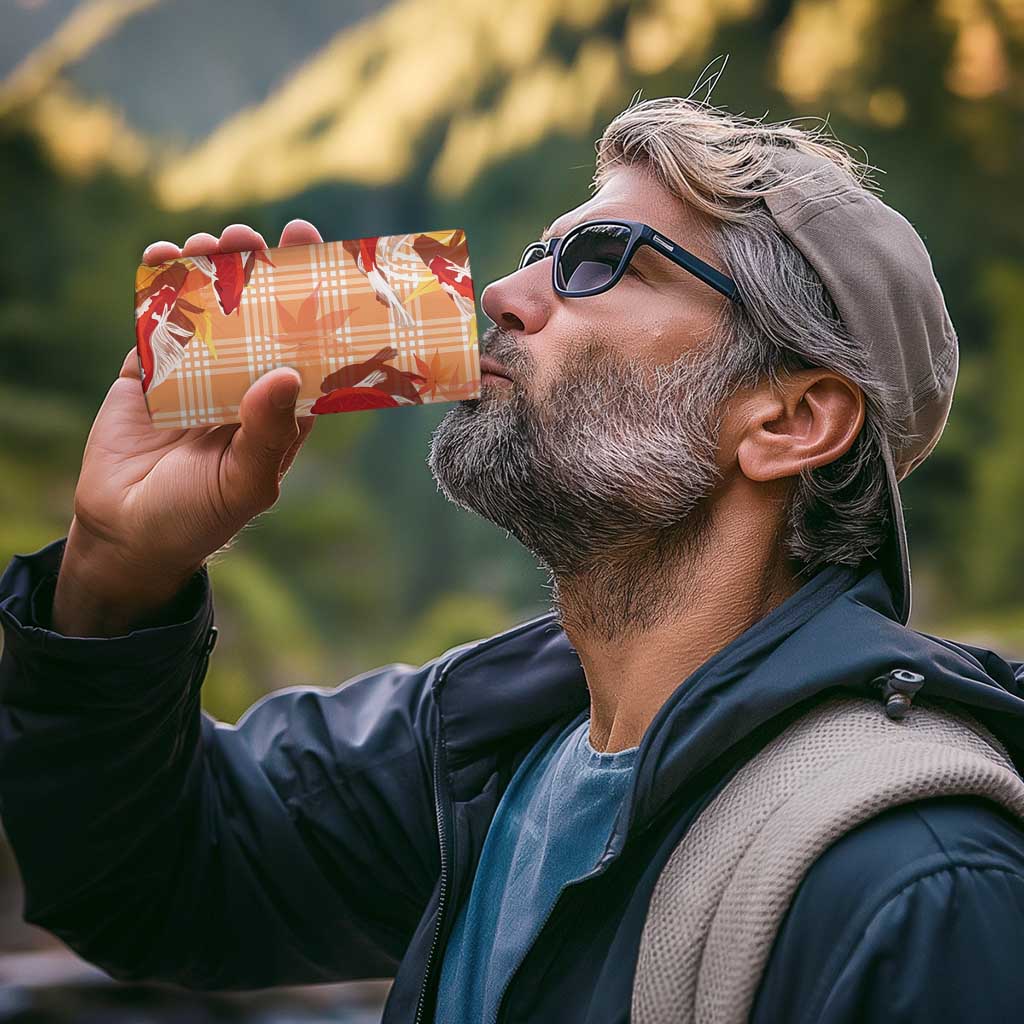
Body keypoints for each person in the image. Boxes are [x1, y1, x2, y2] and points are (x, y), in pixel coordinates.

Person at [2, 95, 1024, 1024]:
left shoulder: (918, 884)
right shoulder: (479, 749)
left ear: (791, 419)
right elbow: (148, 880)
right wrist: (116, 571)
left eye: (599, 261)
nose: (501, 291)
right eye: (541, 252)